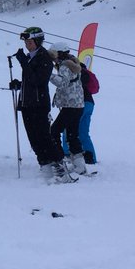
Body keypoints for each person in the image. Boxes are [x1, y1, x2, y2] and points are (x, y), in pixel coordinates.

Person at [8, 27, 73, 183]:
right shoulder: (31, 57)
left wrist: (24, 63)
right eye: (25, 42)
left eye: (29, 42)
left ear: (37, 41)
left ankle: (60, 170)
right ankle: (45, 167)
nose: (27, 45)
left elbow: (39, 80)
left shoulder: (44, 57)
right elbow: (30, 80)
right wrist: (19, 84)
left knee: (44, 137)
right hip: (27, 103)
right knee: (33, 138)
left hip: (38, 104)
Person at [49, 46, 87, 176]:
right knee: (72, 134)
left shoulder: (65, 66)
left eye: (53, 55)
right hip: (78, 105)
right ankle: (79, 165)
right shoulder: (75, 64)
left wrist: (49, 74)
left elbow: (62, 83)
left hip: (70, 106)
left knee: (54, 131)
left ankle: (59, 160)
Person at [80, 65, 99, 165]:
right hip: (90, 103)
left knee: (69, 130)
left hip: (79, 104)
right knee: (84, 133)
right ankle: (91, 159)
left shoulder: (75, 72)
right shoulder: (85, 73)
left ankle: (67, 155)